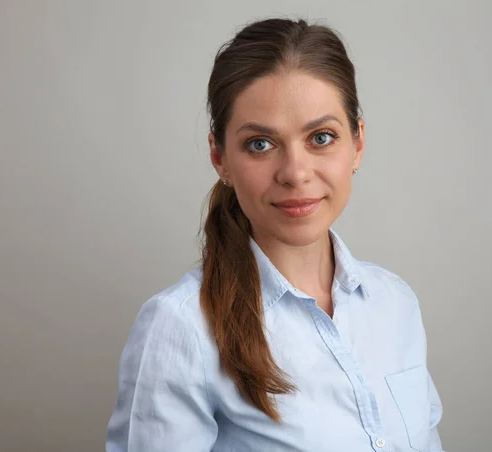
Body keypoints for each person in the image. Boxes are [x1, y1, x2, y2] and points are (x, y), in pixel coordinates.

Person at [106, 17, 445, 452]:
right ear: (220, 157)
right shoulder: (180, 327)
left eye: (321, 137)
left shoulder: (395, 303)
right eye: (261, 144)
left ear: (357, 144)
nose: (295, 173)